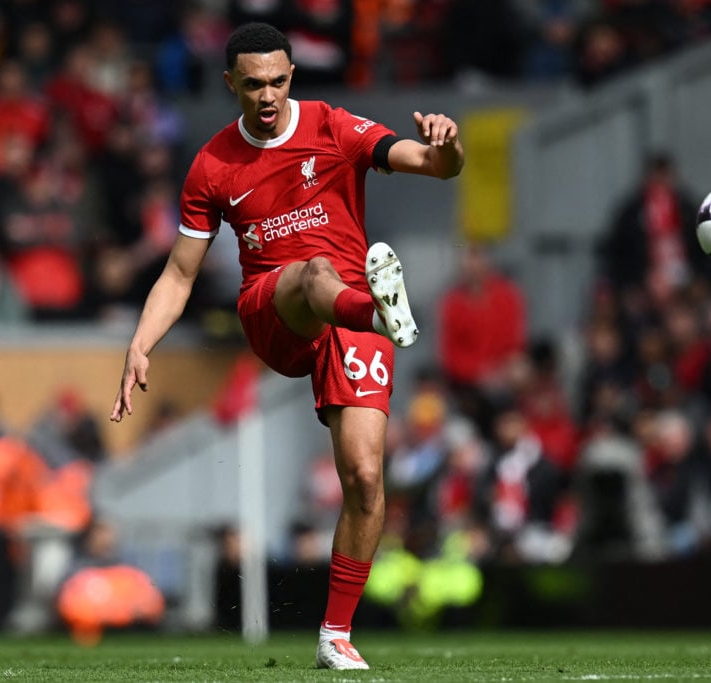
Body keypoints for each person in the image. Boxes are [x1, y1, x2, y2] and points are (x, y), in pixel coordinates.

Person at [109, 22, 463, 670]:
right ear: (230, 85)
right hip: (276, 310)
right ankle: (380, 312)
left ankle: (334, 633)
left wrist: (448, 147)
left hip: (351, 319)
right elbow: (181, 272)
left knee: (362, 475)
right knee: (311, 273)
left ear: (291, 76)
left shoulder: (332, 125)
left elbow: (430, 165)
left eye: (276, 80)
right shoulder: (213, 164)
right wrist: (141, 343)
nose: (266, 95)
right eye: (252, 84)